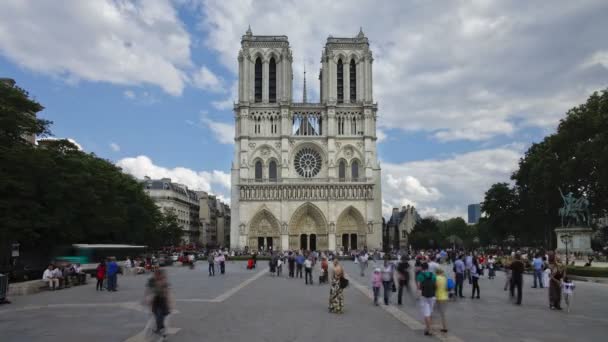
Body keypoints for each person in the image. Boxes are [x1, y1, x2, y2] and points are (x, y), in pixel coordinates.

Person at [146, 269, 172, 337]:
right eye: (156, 275)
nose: (157, 276)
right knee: (157, 314)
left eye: (159, 275)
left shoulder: (164, 281)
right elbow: (148, 290)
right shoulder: (152, 280)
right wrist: (148, 298)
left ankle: (161, 328)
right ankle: (160, 328)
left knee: (161, 314)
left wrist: (169, 301)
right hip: (155, 299)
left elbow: (166, 291)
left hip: (162, 299)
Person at [416, 263, 436, 336]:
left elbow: (418, 287)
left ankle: (429, 330)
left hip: (424, 296)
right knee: (430, 312)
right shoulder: (432, 275)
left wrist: (418, 295)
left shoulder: (420, 275)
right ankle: (427, 328)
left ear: (422, 268)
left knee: (426, 313)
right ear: (428, 268)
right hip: (433, 296)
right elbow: (435, 285)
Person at [435, 268, 449, 333]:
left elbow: (435, 287)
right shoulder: (444, 278)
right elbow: (446, 288)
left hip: (439, 297)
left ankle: (444, 327)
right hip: (445, 297)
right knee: (442, 313)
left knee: (441, 313)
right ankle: (444, 326)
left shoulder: (436, 278)